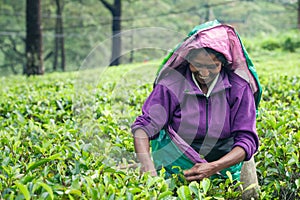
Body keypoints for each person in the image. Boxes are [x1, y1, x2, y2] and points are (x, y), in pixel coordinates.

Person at [131, 22, 260, 182]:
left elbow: (246, 139)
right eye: (197, 65)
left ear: (223, 64)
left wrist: (213, 167)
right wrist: (147, 165)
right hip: (178, 163)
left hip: (225, 164)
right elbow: (144, 127)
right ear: (188, 61)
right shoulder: (171, 85)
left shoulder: (238, 89)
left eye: (212, 66)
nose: (204, 72)